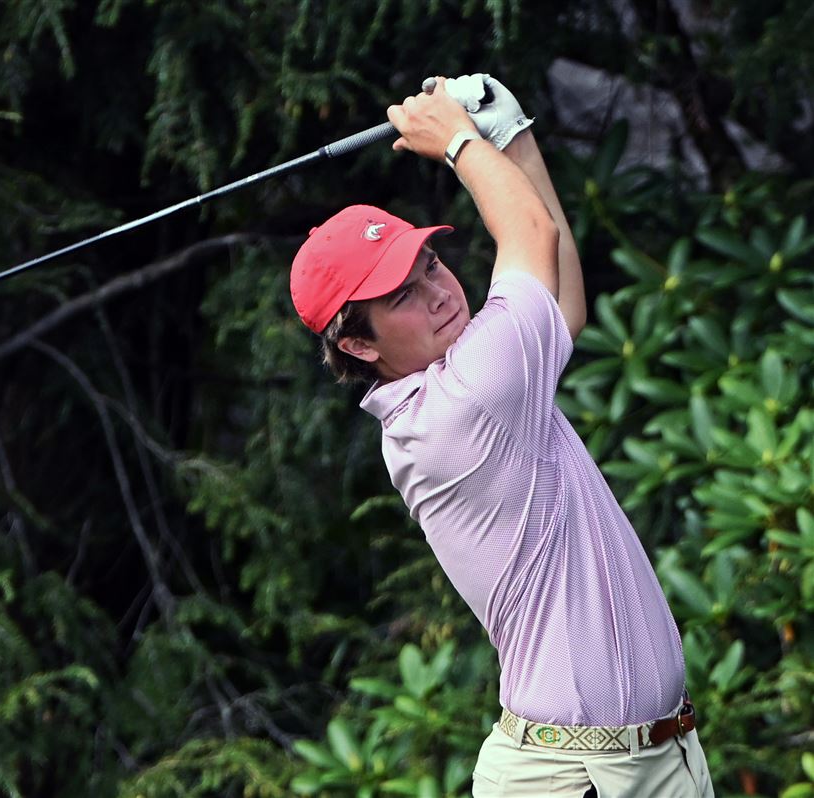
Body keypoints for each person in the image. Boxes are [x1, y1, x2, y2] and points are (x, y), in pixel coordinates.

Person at [289, 75, 715, 798]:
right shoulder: (463, 404)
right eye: (401, 294)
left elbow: (562, 303)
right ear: (358, 346)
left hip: (644, 764)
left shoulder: (473, 378)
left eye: (429, 263)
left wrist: (511, 137)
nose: (438, 288)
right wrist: (457, 140)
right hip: (578, 778)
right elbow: (532, 235)